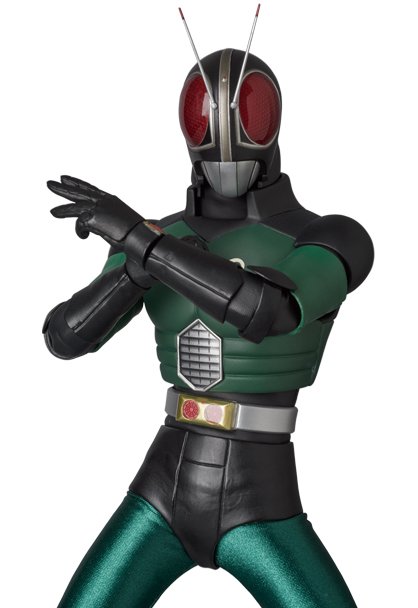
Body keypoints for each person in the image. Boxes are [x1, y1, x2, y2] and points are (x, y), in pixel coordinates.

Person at [44, 48, 373, 607]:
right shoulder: (157, 235)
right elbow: (64, 338)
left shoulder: (332, 236)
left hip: (260, 488)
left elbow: (270, 311)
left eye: (247, 111)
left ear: (270, 121)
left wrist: (144, 244)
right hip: (162, 482)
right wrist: (135, 267)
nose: (224, 136)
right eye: (206, 115)